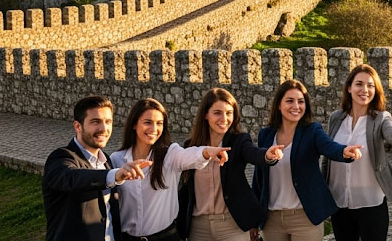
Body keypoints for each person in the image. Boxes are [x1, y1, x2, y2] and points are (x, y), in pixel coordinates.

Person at [323, 64, 392, 241]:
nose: (365, 90)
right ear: (349, 87)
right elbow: (327, 155)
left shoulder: (380, 118)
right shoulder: (336, 118)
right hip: (339, 201)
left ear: (376, 90)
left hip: (370, 201)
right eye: (359, 84)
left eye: (370, 85)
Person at [253, 79, 364, 241]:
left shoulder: (312, 131)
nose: (296, 106)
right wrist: (254, 218)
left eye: (301, 101)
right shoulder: (266, 135)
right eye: (289, 101)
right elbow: (258, 179)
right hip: (272, 219)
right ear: (279, 105)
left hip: (304, 217)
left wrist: (343, 152)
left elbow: (328, 146)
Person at [111, 98, 231, 241]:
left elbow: (189, 155)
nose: (154, 129)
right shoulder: (116, 159)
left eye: (159, 123)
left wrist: (207, 151)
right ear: (134, 124)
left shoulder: (170, 154)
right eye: (147, 122)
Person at [178, 88, 285, 241]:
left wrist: (268, 155)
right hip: (198, 227)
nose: (224, 118)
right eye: (217, 113)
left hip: (231, 225)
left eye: (229, 113)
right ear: (205, 115)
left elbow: (254, 153)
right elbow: (184, 189)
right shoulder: (191, 147)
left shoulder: (239, 141)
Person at [41, 95, 150, 241]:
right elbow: (72, 178)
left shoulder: (106, 160)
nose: (104, 128)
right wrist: (114, 175)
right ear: (78, 126)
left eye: (108, 122)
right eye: (95, 122)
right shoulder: (61, 157)